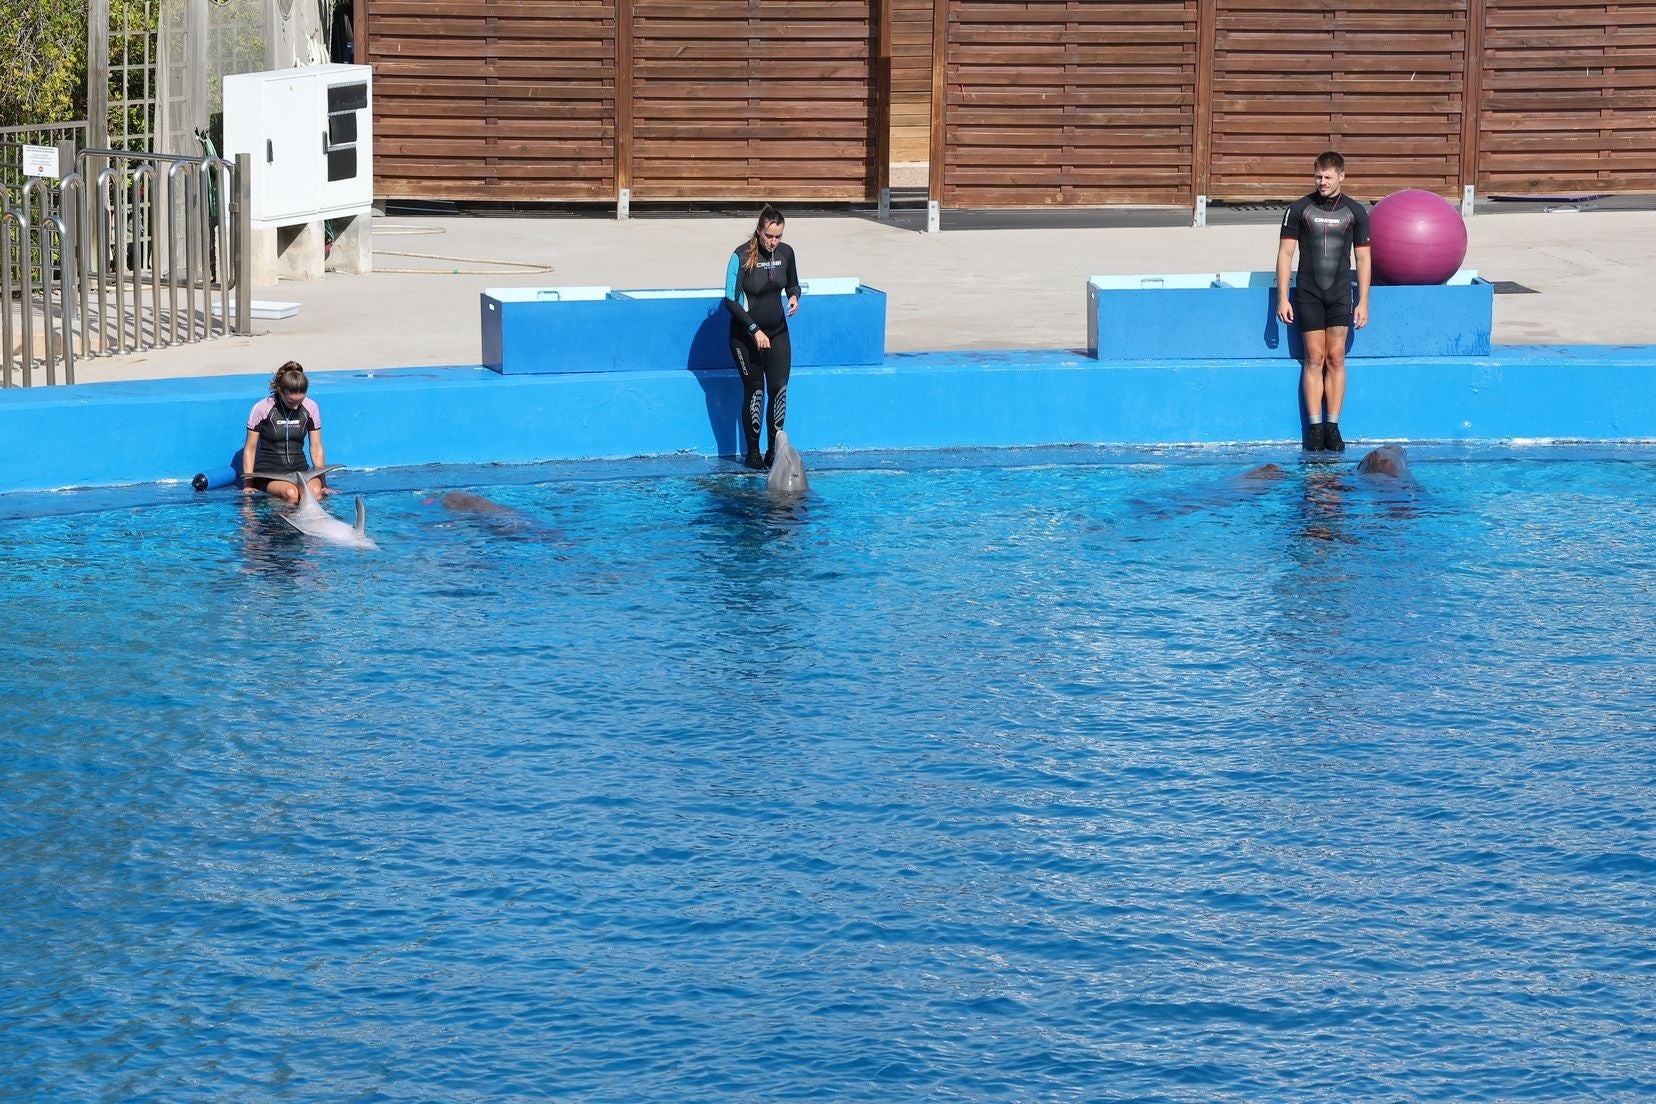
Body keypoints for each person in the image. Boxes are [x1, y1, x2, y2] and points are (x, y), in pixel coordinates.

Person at [1276, 151, 1371, 452]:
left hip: (1341, 295)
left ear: (1342, 176)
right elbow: (1285, 255)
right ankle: (1315, 428)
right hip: (1309, 294)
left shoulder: (1356, 212)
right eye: (1318, 176)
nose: (1322, 182)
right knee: (1314, 358)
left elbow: (1364, 258)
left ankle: (1333, 426)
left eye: (1328, 177)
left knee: (1336, 358)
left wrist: (1364, 301)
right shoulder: (1298, 209)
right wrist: (1282, 297)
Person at [723, 204, 801, 469]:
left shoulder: (786, 253)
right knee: (756, 392)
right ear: (759, 231)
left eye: (778, 236)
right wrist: (755, 331)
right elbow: (730, 301)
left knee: (779, 392)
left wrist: (794, 297)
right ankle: (753, 452)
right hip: (746, 337)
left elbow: (792, 283)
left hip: (778, 334)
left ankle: (773, 451)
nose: (774, 241)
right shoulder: (741, 256)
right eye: (769, 236)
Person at [241, 361, 327, 502]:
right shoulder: (262, 408)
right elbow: (250, 448)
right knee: (291, 493)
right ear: (280, 390)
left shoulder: (311, 407)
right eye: (291, 401)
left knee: (315, 492)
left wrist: (323, 483)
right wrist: (248, 484)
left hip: (300, 471)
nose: (295, 407)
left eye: (300, 401)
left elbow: (316, 448)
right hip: (270, 473)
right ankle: (282, 524)